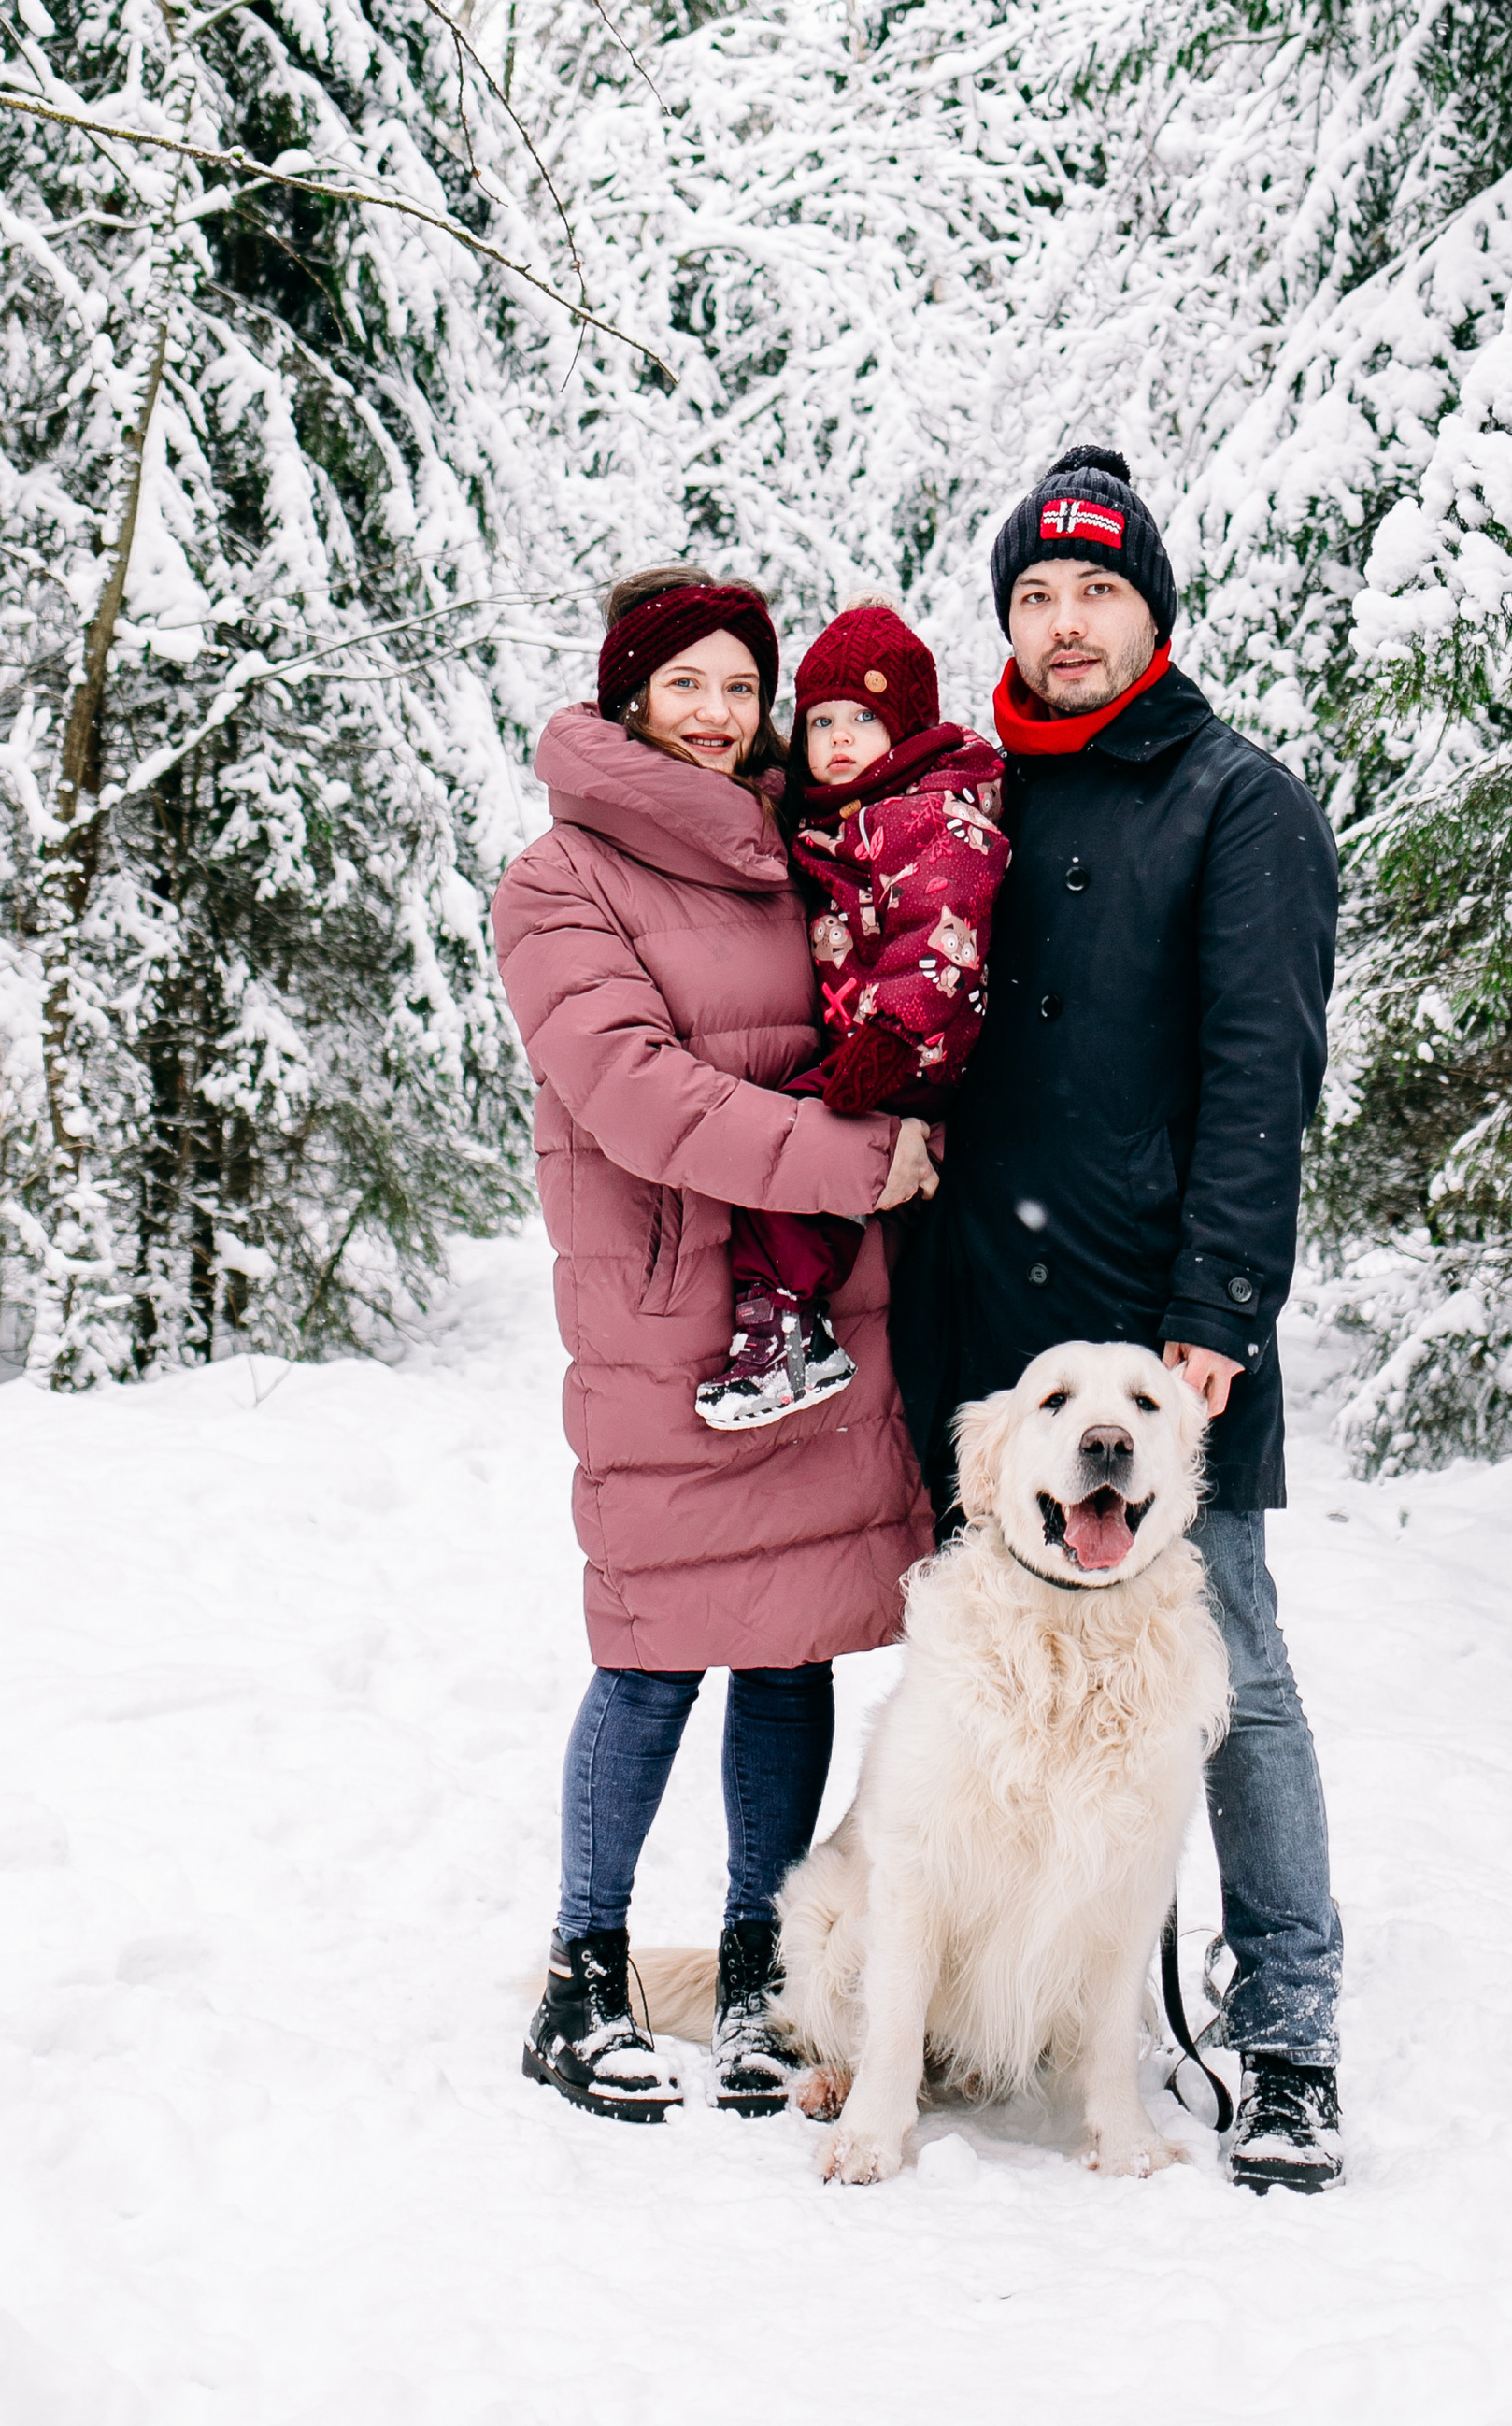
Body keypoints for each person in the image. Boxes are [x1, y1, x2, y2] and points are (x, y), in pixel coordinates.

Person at [892, 446, 1348, 2195]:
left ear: (1151, 609)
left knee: (1228, 1669)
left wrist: (1217, 1310)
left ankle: (1289, 2022)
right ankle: (1027, 1995)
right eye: (1032, 596)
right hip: (997, 1347)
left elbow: (1261, 1077)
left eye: (1094, 592)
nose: (1063, 624)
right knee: (991, 1687)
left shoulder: (1240, 802)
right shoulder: (974, 794)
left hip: (1167, 1348)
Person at [492, 564, 939, 2126]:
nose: (718, 712)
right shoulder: (558, 880)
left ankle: (758, 1967)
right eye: (684, 683)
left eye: (741, 685)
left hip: (815, 1311)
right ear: (628, 699)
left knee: (788, 1639)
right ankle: (581, 1976)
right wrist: (853, 1165)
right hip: (674, 1318)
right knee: (654, 1647)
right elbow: (634, 1094)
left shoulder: (793, 854)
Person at [698, 605, 1008, 1433]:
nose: (838, 737)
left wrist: (894, 1037)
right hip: (871, 1047)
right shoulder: (836, 821)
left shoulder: (933, 820)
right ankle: (789, 1323)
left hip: (913, 1050)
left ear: (905, 725)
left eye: (863, 718)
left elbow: (945, 938)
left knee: (795, 1153)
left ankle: (787, 1327)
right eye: (821, 720)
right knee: (803, 1169)